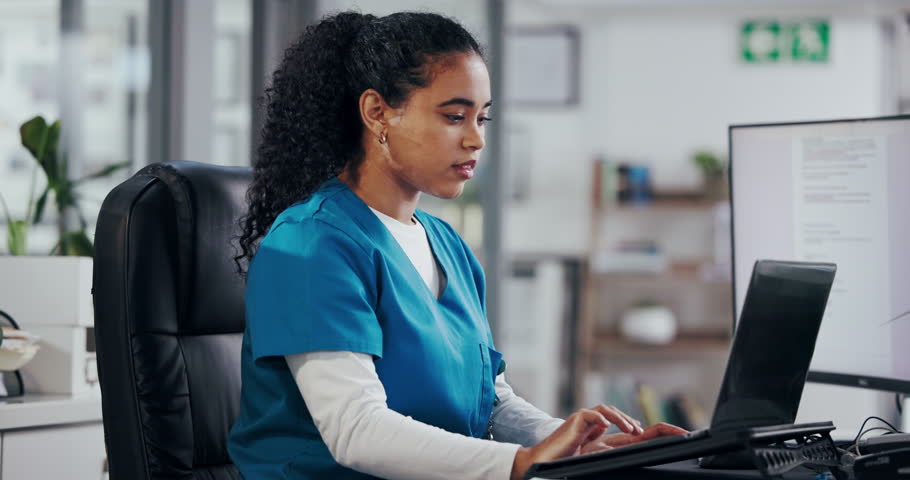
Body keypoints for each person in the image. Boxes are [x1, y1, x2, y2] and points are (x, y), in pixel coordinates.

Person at [229, 11, 686, 480]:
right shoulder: (310, 245)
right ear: (377, 112)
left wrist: (578, 448)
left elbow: (490, 401)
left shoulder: (446, 243)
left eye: (482, 118)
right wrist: (519, 462)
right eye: (454, 116)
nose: (476, 139)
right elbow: (354, 429)